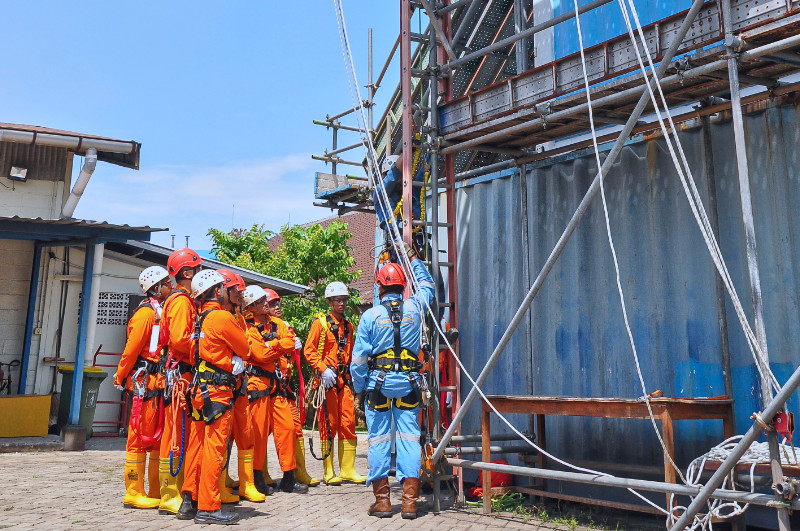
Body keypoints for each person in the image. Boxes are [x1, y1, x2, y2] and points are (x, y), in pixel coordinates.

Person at [351, 245, 435, 519]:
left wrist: (359, 391)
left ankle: (383, 501)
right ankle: (410, 502)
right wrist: (412, 258)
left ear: (379, 286)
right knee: (410, 440)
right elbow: (427, 286)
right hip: (410, 384)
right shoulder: (416, 307)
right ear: (403, 285)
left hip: (378, 386)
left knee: (378, 441)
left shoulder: (370, 316)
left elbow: (359, 361)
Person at [184, 269, 248, 525]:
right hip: (218, 392)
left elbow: (193, 354)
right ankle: (209, 507)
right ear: (218, 290)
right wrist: (231, 359)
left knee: (196, 445)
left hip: (200, 391)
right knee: (214, 448)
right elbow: (245, 347)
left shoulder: (200, 319)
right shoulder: (222, 317)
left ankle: (189, 501)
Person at [112, 266, 172, 509]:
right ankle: (133, 491)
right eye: (167, 282)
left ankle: (156, 490)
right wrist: (120, 375)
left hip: (158, 384)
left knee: (157, 439)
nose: (172, 286)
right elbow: (132, 349)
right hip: (143, 384)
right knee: (137, 437)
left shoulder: (162, 312)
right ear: (156, 288)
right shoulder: (146, 314)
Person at [242, 286, 308, 494]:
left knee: (287, 428)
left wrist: (271, 345)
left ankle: (289, 476)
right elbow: (259, 354)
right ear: (251, 306)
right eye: (262, 301)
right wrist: (278, 346)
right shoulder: (247, 326)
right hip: (257, 384)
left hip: (278, 384)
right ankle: (257, 477)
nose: (267, 304)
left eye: (266, 301)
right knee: (259, 433)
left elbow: (289, 343)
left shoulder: (278, 324)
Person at [304, 282, 366, 486]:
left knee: (348, 423)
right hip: (327, 381)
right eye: (338, 300)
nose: (342, 303)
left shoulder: (348, 326)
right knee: (328, 424)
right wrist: (322, 369)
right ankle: (329, 471)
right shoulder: (320, 324)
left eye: (344, 299)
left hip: (344, 380)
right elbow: (309, 351)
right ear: (329, 302)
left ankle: (347, 469)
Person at [213, 270, 265, 504]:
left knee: (245, 433)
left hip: (240, 383)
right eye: (234, 290)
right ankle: (220, 483)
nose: (238, 294)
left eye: (239, 291)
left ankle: (247, 484)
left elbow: (247, 347)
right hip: (221, 383)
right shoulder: (217, 316)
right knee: (221, 437)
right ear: (222, 290)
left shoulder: (240, 317)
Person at [158, 248, 202, 515]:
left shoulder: (182, 300)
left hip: (182, 374)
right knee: (175, 434)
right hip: (180, 376)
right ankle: (169, 493)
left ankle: (178, 490)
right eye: (197, 270)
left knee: (179, 433)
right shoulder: (182, 302)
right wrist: (205, 346)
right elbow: (179, 339)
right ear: (187, 273)